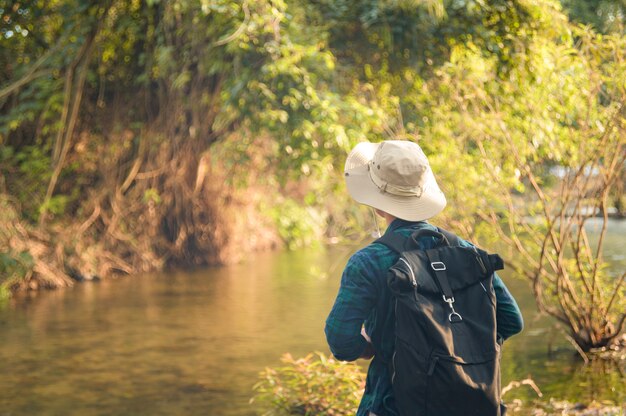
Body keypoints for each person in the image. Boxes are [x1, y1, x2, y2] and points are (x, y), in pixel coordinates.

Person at [325, 140, 524, 416]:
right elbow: (512, 320)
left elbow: (340, 340)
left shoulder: (368, 263)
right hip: (467, 404)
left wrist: (370, 346)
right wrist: (458, 351)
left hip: (390, 405)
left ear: (379, 205)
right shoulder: (467, 254)